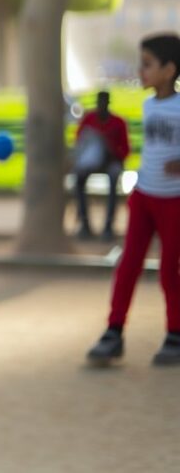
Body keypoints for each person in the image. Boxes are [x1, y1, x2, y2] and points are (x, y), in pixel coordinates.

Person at [87, 34, 180, 368]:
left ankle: (175, 334)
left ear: (169, 70)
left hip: (174, 203)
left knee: (170, 271)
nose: (140, 71)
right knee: (128, 265)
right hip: (144, 197)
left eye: (147, 64)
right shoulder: (148, 104)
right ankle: (113, 332)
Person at [73, 90, 131, 240]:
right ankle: (84, 224)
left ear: (108, 104)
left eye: (104, 103)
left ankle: (108, 226)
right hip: (91, 163)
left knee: (113, 178)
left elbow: (125, 150)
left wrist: (112, 152)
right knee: (79, 179)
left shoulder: (118, 122)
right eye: (99, 103)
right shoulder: (89, 119)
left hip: (112, 161)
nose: (101, 106)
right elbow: (80, 143)